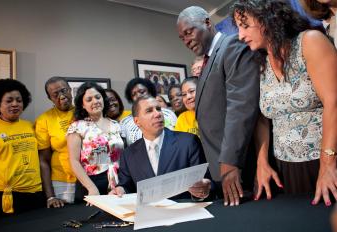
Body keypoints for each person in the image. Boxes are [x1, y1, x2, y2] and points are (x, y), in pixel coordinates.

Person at [231, 0, 337, 206]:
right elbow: (262, 117)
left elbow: (334, 102)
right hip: (285, 167)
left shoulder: (310, 41)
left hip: (323, 162)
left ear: (267, 19)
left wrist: (328, 163)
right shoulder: (261, 63)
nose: (240, 36)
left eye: (245, 26)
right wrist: (262, 162)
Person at [177, 6, 260, 206]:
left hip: (240, 167)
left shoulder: (231, 46)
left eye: (188, 32)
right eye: (182, 38)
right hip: (221, 170)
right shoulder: (208, 60)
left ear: (207, 22)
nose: (186, 40)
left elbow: (240, 108)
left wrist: (230, 163)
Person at [110, 96, 211, 199]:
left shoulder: (188, 142)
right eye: (149, 111)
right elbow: (126, 185)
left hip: (184, 211)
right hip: (148, 212)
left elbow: (205, 182)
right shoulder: (129, 154)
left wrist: (203, 190)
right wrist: (120, 190)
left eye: (158, 109)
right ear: (137, 121)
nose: (158, 114)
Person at [0, 79, 43, 220]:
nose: (15, 104)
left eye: (19, 100)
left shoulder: (30, 126)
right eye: (9, 100)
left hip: (33, 192)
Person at [67, 82, 124, 200]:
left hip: (118, 182)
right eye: (89, 99)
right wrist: (91, 188)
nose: (95, 101)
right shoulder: (77, 127)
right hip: (91, 183)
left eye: (98, 97)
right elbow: (74, 161)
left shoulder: (116, 125)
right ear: (83, 105)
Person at [35, 76, 76, 208]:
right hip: (62, 181)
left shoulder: (85, 111)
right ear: (50, 98)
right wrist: (50, 196)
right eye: (55, 94)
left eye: (64, 90)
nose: (62, 96)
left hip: (90, 178)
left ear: (70, 90)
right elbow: (43, 160)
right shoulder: (44, 120)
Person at [120, 78, 177, 146]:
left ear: (150, 92)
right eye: (133, 94)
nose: (138, 96)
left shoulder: (168, 114)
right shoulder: (125, 122)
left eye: (142, 92)